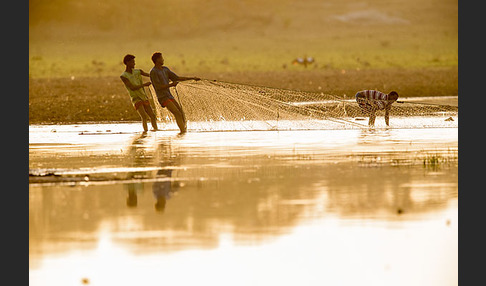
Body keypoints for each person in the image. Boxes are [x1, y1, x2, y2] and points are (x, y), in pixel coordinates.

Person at [149, 52, 200, 133]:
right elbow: (158, 87)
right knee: (177, 113)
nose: (163, 59)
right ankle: (182, 131)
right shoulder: (153, 72)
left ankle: (183, 132)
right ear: (157, 59)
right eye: (161, 58)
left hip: (169, 96)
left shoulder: (165, 69)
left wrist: (192, 78)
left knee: (181, 113)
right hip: (162, 97)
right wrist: (171, 85)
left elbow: (176, 78)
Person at [120, 54, 159, 132]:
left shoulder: (138, 71)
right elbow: (132, 88)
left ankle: (155, 130)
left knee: (152, 116)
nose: (134, 64)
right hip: (135, 97)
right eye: (132, 62)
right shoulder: (124, 76)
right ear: (127, 63)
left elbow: (150, 75)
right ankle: (145, 131)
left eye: (134, 62)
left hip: (143, 96)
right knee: (144, 116)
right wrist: (144, 85)